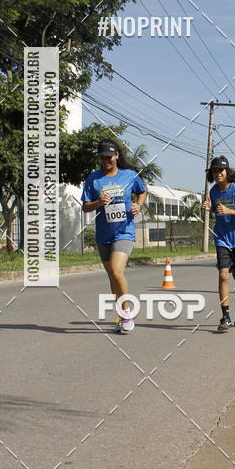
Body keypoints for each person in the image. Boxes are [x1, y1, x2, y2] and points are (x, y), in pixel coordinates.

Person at [81, 139, 147, 333]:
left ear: (117, 155)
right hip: (104, 235)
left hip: (124, 232)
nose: (105, 160)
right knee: (112, 277)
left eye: (109, 156)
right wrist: (98, 202)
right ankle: (121, 314)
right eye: (102, 157)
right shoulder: (93, 179)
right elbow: (85, 206)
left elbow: (142, 192)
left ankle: (127, 315)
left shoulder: (130, 175)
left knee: (118, 272)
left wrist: (138, 205)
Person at [203, 155, 235, 332]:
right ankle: (225, 316)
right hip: (222, 238)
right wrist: (211, 208)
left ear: (227, 172)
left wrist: (229, 210)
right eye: (215, 171)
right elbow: (219, 212)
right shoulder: (213, 191)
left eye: (221, 170)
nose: (218, 174)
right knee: (223, 274)